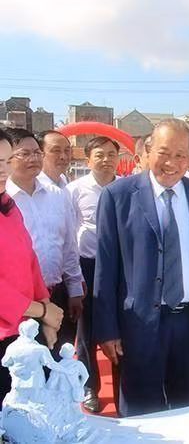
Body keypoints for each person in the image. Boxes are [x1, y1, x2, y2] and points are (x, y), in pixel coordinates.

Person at [93, 119, 189, 417]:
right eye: (164, 152)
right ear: (147, 151)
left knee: (187, 405)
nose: (171, 163)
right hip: (139, 322)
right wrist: (107, 329)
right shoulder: (117, 196)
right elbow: (105, 267)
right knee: (141, 408)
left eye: (181, 155)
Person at [4, 128, 83, 360]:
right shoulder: (5, 201)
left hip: (56, 296)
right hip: (19, 306)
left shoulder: (58, 195)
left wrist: (75, 287)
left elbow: (69, 245)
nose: (34, 158)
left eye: (37, 152)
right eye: (24, 153)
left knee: (60, 365)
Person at [0, 129, 64, 406]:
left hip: (24, 330)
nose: (2, 170)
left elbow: (31, 261)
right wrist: (42, 311)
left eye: (4, 161)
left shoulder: (8, 206)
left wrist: (46, 314)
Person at [66, 136, 120, 412]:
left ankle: (124, 388)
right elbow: (70, 231)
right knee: (86, 334)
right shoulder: (75, 190)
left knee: (121, 328)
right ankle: (91, 388)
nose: (106, 160)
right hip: (88, 266)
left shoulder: (126, 188)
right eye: (99, 154)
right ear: (88, 159)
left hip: (121, 270)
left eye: (111, 154)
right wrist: (75, 275)